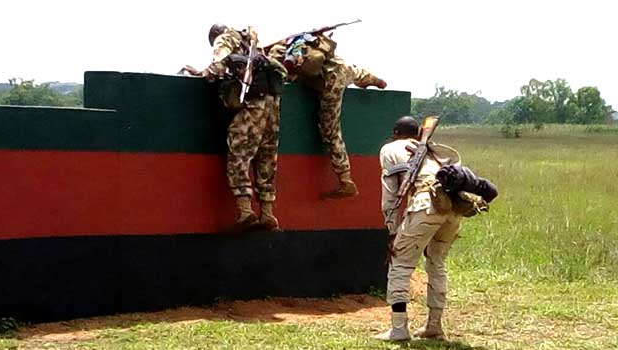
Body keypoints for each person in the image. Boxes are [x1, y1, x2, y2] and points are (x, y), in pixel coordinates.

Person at [183, 23, 286, 231]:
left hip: (254, 104)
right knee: (266, 157)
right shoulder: (253, 44)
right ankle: (267, 214)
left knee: (238, 152)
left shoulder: (225, 38)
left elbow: (220, 62)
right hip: (273, 106)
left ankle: (246, 212)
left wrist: (204, 72)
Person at [374, 116, 463, 341]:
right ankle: (434, 326)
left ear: (395, 132)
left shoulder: (390, 148)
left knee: (400, 264)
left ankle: (399, 328)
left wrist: (393, 230)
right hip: (452, 209)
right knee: (437, 263)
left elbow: (390, 194)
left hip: (426, 205)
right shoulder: (432, 152)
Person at [267, 33, 387, 199]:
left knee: (330, 132)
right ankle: (371, 79)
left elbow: (285, 75)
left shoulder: (280, 53)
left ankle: (346, 181)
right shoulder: (305, 42)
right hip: (342, 69)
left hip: (330, 83)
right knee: (355, 72)